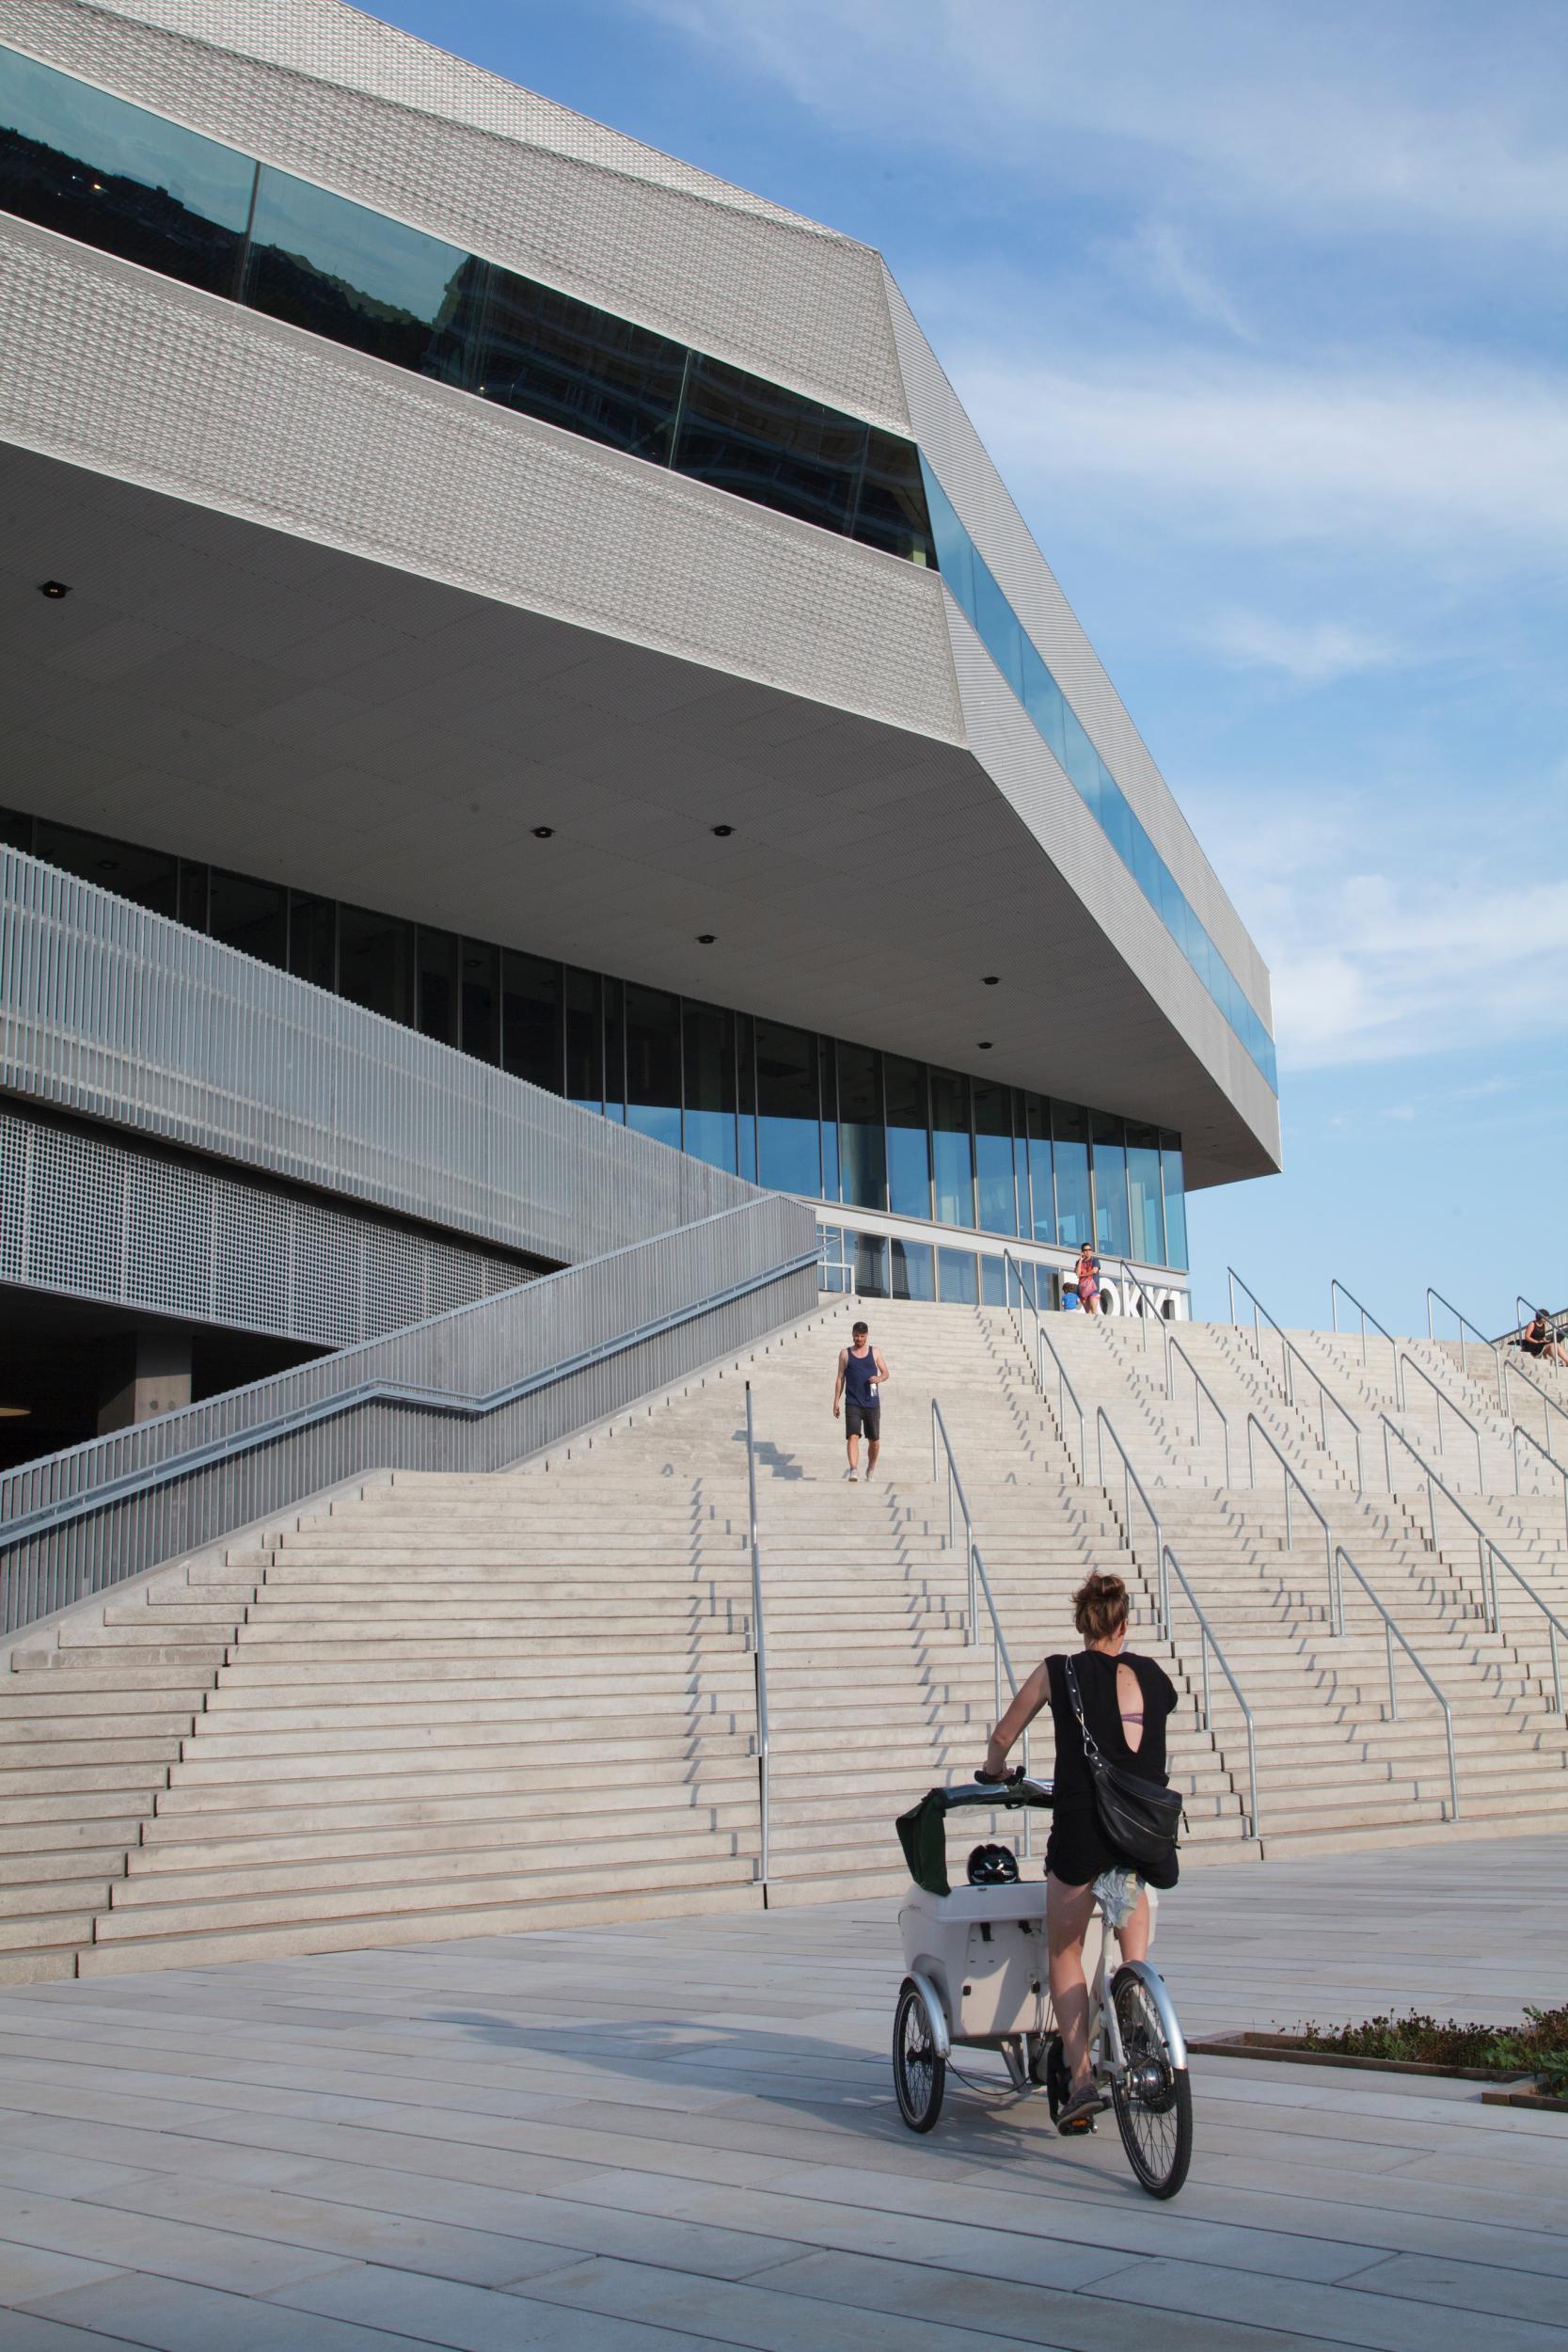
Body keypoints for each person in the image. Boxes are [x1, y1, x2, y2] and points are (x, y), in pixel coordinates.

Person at [978, 1569, 1177, 2131]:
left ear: (1081, 1622)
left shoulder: (1057, 1672)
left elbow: (1001, 1738)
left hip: (1082, 1834)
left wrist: (994, 1772)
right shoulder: (1153, 1675)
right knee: (1134, 1954)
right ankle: (1137, 2002)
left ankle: (1081, 2078)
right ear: (1124, 1623)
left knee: (1064, 1951)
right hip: (1140, 1836)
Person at [832, 1320, 889, 1482]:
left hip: (871, 1402)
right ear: (852, 1335)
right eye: (856, 1336)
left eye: (862, 1336)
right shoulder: (845, 1354)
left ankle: (871, 1468)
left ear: (867, 1336)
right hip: (853, 1402)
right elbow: (840, 1378)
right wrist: (836, 1401)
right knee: (853, 1435)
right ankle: (854, 1470)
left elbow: (886, 1373)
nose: (859, 1339)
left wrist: (878, 1378)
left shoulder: (875, 1352)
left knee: (874, 1441)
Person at [1074, 1246, 1102, 1316]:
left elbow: (1094, 1270)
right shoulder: (1078, 1262)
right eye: (1085, 1250)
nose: (1088, 1251)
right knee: (1088, 1311)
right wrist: (1080, 1260)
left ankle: (1099, 1325)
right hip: (1083, 1289)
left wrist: (1083, 1275)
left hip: (1093, 1288)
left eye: (1089, 1249)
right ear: (1082, 1252)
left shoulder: (1095, 1260)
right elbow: (1077, 1273)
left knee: (1093, 1308)